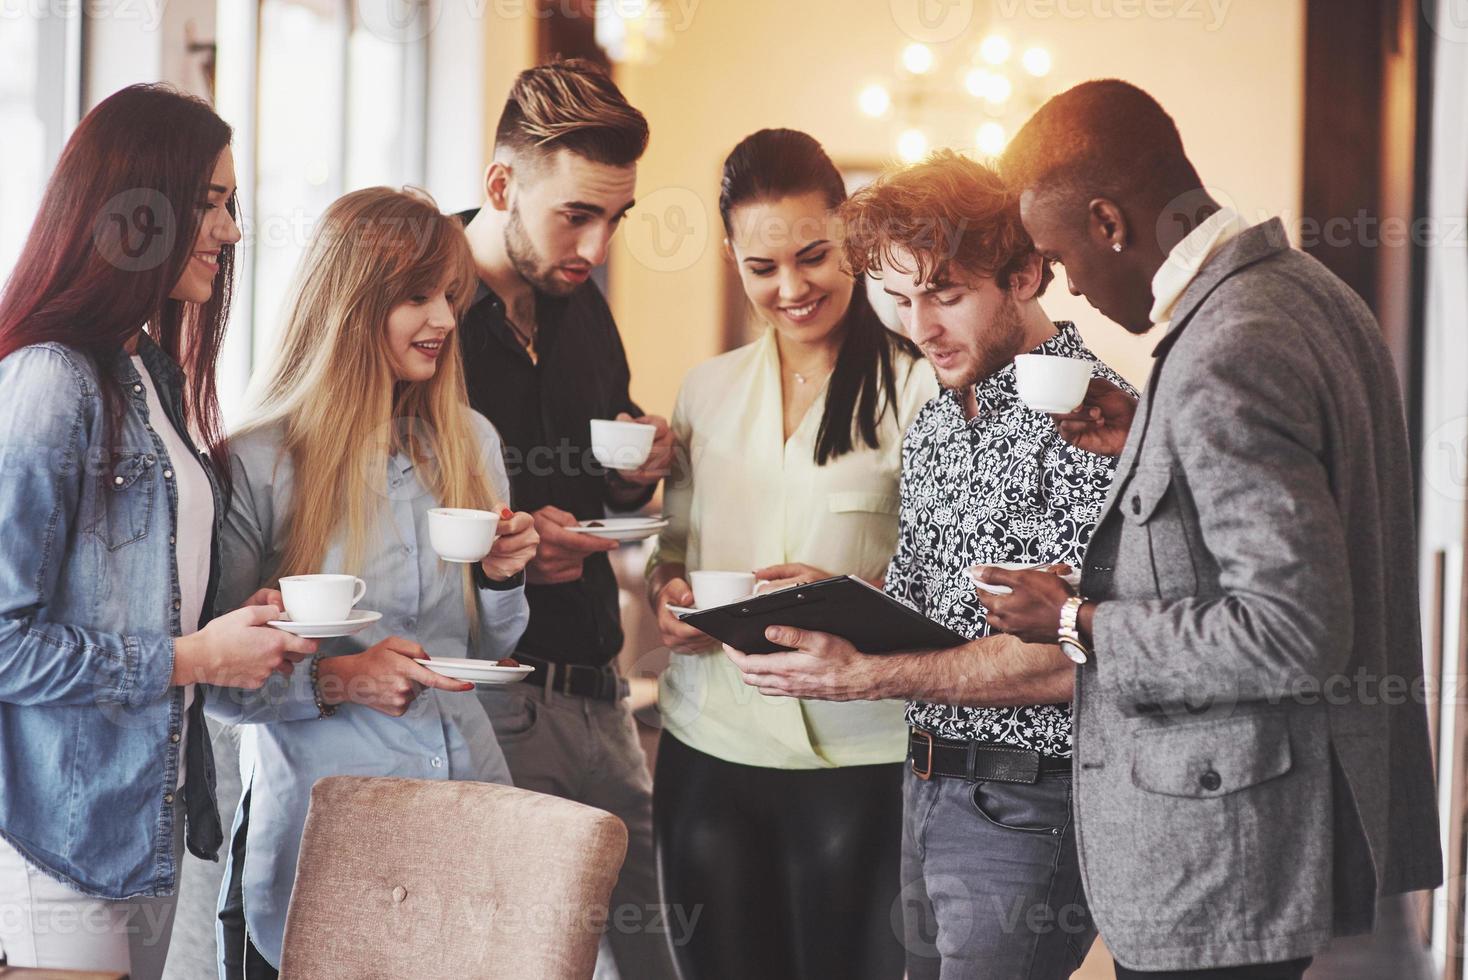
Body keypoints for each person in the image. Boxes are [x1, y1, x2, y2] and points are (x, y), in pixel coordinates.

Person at [978, 79, 1443, 978]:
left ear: (1110, 221)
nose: (1069, 285)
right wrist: (1147, 430)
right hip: (1266, 839)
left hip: (1220, 861)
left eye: (1060, 256)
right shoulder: (1303, 292)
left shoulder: (1228, 346)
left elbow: (1291, 630)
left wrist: (1079, 623)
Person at [724, 149, 1135, 979]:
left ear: (1023, 275)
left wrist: (857, 678)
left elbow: (1074, 653)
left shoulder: (1099, 420)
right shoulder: (943, 416)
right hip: (926, 783)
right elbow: (936, 598)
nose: (920, 328)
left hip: (1032, 800)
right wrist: (837, 595)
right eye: (901, 299)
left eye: (946, 296)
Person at [0, 84, 317, 978]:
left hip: (148, 820)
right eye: (208, 203)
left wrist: (236, 625)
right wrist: (191, 659)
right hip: (55, 836)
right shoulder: (50, 382)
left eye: (231, 203)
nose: (231, 229)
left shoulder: (150, 375)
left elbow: (147, 595)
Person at [209, 186, 539, 977]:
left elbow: (491, 650)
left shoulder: (470, 441)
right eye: (417, 297)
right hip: (324, 828)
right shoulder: (258, 463)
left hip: (469, 801)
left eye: (451, 297)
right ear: (352, 304)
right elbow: (217, 684)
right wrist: (342, 680)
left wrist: (500, 578)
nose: (445, 321)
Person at [642, 128, 938, 980]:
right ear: (733, 257)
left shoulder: (918, 384)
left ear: (851, 237)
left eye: (814, 256)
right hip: (709, 745)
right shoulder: (707, 389)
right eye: (761, 267)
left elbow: (953, 570)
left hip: (865, 755)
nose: (792, 287)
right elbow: (674, 549)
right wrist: (671, 598)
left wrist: (847, 592)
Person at [456, 59, 677, 978]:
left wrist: (637, 479)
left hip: (605, 697)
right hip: (491, 702)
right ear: (502, 185)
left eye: (614, 219)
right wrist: (497, 558)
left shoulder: (582, 307)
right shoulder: (423, 313)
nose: (596, 243)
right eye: (575, 214)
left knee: (659, 961)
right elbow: (365, 509)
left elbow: (604, 481)